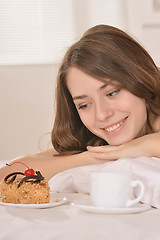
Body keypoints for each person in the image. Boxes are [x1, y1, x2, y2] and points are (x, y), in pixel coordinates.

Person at [0, 24, 160, 181]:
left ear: (142, 78)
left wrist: (143, 146)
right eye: (84, 105)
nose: (102, 114)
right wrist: (95, 157)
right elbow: (7, 174)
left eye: (112, 93)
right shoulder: (93, 138)